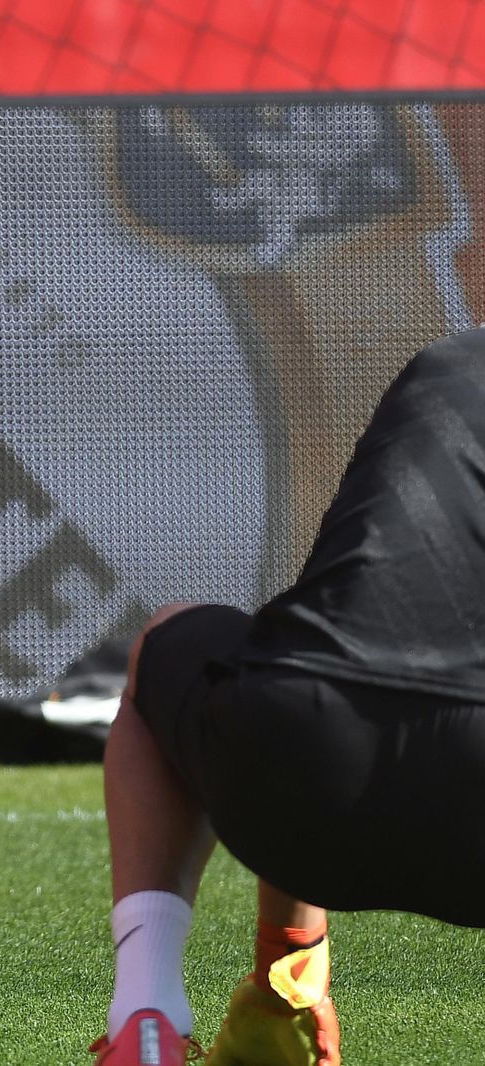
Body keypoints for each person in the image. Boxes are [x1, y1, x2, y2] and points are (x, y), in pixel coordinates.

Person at [90, 326, 485, 1064]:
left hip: (304, 757)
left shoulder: (446, 367)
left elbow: (316, 639)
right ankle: (284, 992)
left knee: (172, 642)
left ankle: (150, 1015)